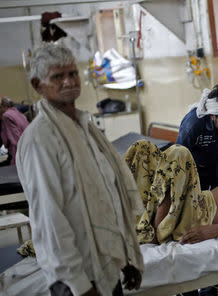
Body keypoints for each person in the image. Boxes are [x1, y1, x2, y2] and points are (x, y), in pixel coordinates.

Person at [16, 43, 144, 296]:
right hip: (76, 278)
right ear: (37, 85)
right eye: (57, 76)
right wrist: (79, 286)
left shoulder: (86, 128)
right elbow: (50, 219)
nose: (68, 82)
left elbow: (109, 196)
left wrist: (127, 256)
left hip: (106, 268)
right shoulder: (40, 139)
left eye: (72, 73)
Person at [0, 96, 29, 164]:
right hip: (28, 149)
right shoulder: (18, 113)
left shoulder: (6, 116)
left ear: (3, 106)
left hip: (18, 154)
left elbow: (14, 139)